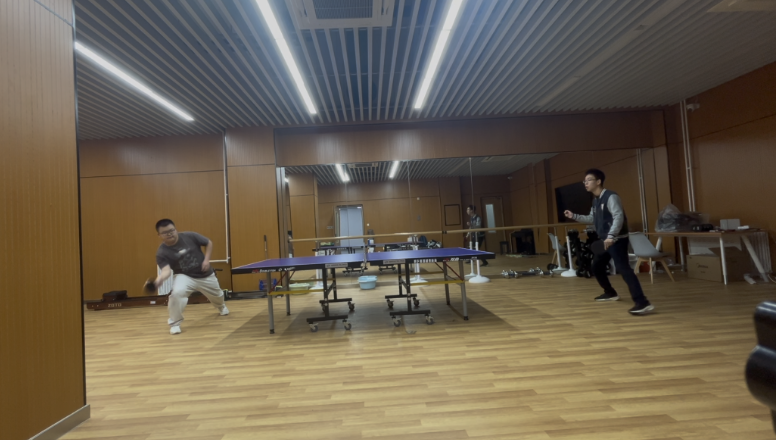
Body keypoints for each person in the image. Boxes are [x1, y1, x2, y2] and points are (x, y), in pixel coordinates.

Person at [564, 169, 654, 315]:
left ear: (598, 181)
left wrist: (611, 236)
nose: (585, 183)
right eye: (584, 181)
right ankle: (610, 293)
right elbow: (592, 219)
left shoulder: (611, 196)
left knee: (624, 269)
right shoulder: (595, 200)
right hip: (605, 241)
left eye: (589, 180)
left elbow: (618, 217)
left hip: (616, 240)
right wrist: (574, 216)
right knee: (597, 267)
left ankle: (642, 302)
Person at [151, 219, 229, 334]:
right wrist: (159, 280)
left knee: (218, 295)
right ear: (159, 235)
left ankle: (221, 306)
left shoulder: (190, 236)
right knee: (177, 293)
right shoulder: (162, 252)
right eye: (165, 232)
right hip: (184, 276)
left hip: (205, 274)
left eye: (172, 230)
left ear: (176, 229)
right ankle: (175, 323)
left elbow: (208, 242)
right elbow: (166, 271)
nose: (169, 234)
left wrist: (206, 260)